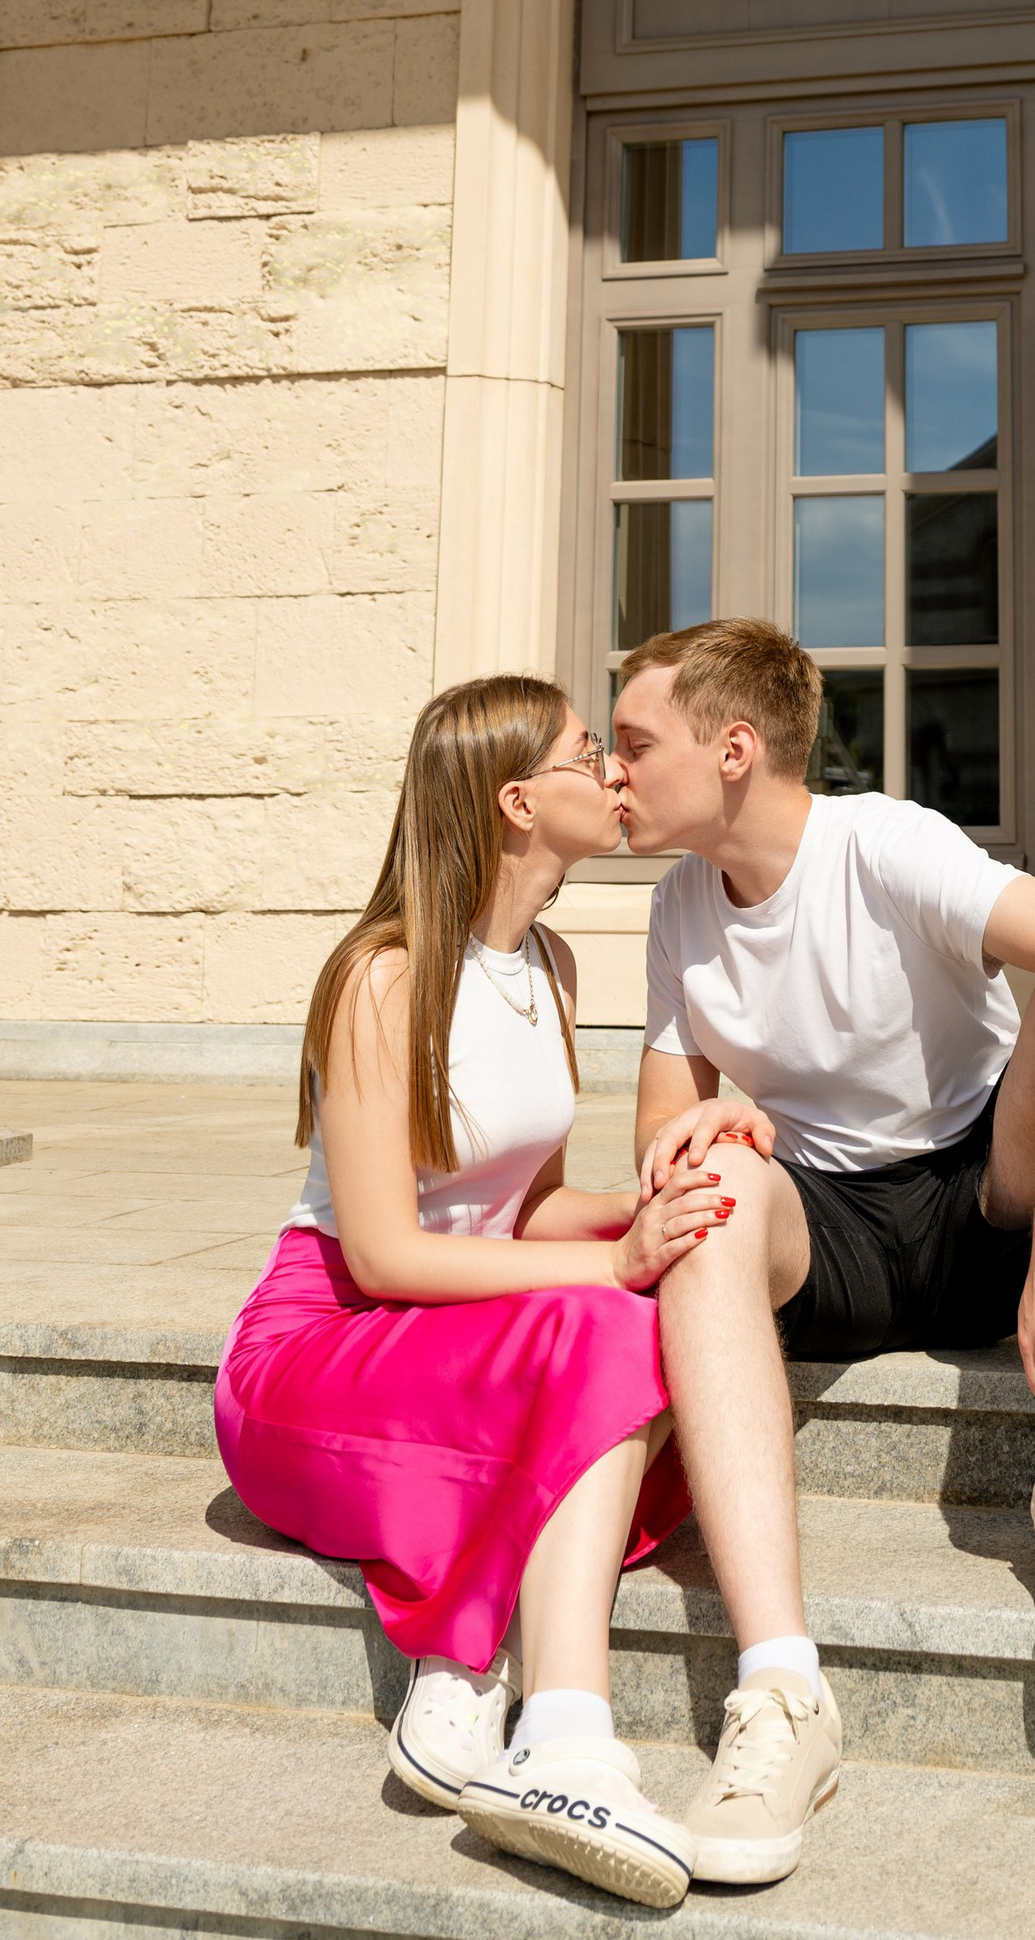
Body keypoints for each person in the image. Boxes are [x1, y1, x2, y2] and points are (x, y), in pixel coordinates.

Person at [612, 616, 1035, 1889]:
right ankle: (783, 1690)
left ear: (733, 747)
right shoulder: (680, 907)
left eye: (636, 744)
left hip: (989, 1195)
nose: (614, 773)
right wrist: (707, 1119)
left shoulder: (885, 841)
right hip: (833, 1232)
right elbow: (655, 1122)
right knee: (706, 1192)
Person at [215, 674, 726, 1912]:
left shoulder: (547, 961)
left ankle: (523, 1717)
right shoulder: (379, 979)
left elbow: (529, 1205)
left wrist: (676, 1183)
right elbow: (387, 1255)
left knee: (632, 1311)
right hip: (324, 1346)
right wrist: (611, 1262)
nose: (612, 771)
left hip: (464, 1330)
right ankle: (542, 1719)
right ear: (514, 802)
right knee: (608, 1315)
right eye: (584, 752)